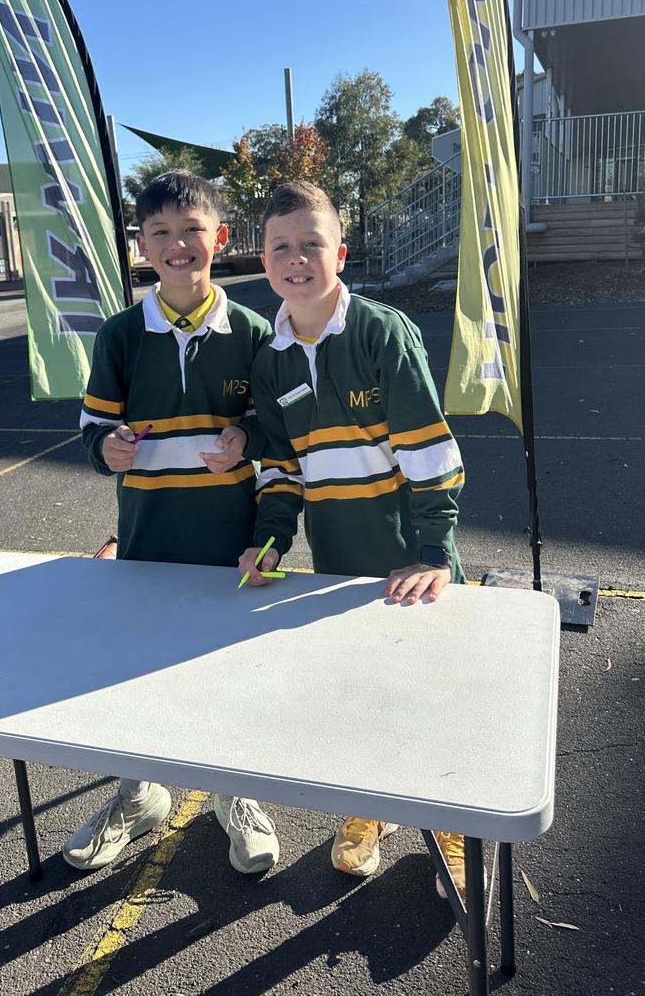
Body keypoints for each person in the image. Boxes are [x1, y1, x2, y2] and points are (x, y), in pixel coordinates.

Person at [238, 180, 470, 894]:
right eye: (282, 247)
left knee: (434, 692)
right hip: (338, 563)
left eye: (312, 244)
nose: (297, 258)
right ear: (264, 261)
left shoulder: (380, 332)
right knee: (363, 693)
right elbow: (281, 468)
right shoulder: (271, 359)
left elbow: (430, 451)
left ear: (340, 252)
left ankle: (452, 820)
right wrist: (272, 542)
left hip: (412, 561)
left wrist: (433, 551)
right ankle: (370, 806)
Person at [63, 170, 280, 876]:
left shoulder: (254, 332)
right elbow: (93, 429)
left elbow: (275, 428)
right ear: (142, 245)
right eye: (160, 232)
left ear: (221, 237)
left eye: (192, 230)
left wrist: (246, 436)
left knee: (229, 667)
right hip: (148, 538)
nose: (177, 244)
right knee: (135, 672)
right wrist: (107, 448)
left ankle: (235, 792)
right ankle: (139, 794)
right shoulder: (122, 335)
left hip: (229, 541)